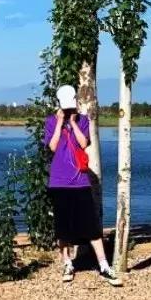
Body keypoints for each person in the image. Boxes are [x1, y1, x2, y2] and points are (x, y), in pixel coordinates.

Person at [44, 84, 123, 286]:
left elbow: (83, 143)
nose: (70, 110)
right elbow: (52, 147)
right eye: (66, 107)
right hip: (59, 182)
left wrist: (74, 123)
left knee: (91, 225)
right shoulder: (51, 121)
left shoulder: (83, 120)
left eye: (72, 107)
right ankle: (67, 263)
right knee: (63, 227)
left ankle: (104, 265)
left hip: (80, 181)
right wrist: (60, 122)